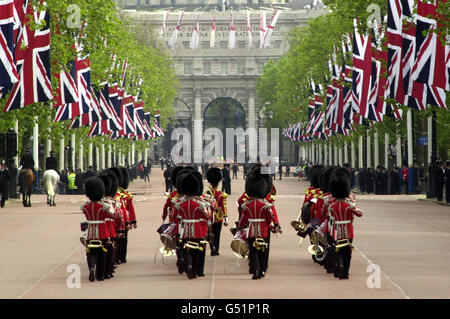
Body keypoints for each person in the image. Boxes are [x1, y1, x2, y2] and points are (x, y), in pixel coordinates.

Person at [238, 170, 281, 280]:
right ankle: (262, 270)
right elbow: (272, 216)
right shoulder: (266, 205)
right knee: (263, 250)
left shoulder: (246, 205)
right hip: (263, 229)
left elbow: (243, 219)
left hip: (252, 229)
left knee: (253, 251)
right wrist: (275, 225)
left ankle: (256, 271)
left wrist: (240, 227)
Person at [326, 168, 363, 279]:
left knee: (337, 250)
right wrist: (353, 204)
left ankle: (339, 265)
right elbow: (360, 213)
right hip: (348, 231)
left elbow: (329, 217)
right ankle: (345, 272)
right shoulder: (349, 205)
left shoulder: (331, 206)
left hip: (336, 231)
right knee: (348, 252)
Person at [173, 170, 209, 279]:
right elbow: (207, 217)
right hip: (197, 230)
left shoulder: (179, 204)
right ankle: (194, 270)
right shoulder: (200, 204)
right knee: (196, 251)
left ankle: (189, 266)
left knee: (186, 249)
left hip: (184, 230)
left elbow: (175, 217)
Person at [81, 176, 115, 282]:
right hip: (102, 233)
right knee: (101, 254)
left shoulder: (85, 207)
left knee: (90, 253)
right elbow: (113, 216)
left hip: (90, 233)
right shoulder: (103, 206)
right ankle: (99, 275)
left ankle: (91, 267)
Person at [206, 167, 228, 256]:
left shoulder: (207, 193)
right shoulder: (221, 194)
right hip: (218, 217)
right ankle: (216, 249)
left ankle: (212, 248)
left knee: (210, 232)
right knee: (217, 234)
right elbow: (223, 207)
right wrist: (226, 217)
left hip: (210, 216)